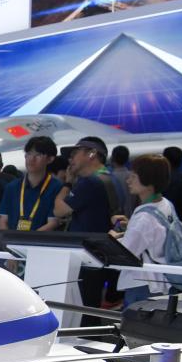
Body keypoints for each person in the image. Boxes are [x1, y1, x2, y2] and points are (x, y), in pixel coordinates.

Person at [54, 136, 124, 322]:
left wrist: (67, 183)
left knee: (83, 310)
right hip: (100, 254)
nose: (70, 159)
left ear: (92, 154)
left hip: (86, 255)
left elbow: (59, 210)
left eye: (75, 153)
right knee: (91, 308)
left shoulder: (90, 182)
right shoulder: (111, 178)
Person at [108, 154, 176, 306]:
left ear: (149, 182)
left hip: (143, 284)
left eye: (134, 176)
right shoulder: (166, 204)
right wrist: (131, 226)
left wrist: (112, 238)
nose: (128, 180)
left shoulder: (144, 217)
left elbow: (124, 254)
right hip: (162, 281)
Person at [0, 136, 62, 232]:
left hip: (41, 240)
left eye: (38, 155)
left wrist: (28, 239)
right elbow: (3, 220)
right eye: (29, 154)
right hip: (12, 239)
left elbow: (53, 222)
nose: (31, 159)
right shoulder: (12, 187)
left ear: (50, 159)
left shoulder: (56, 187)